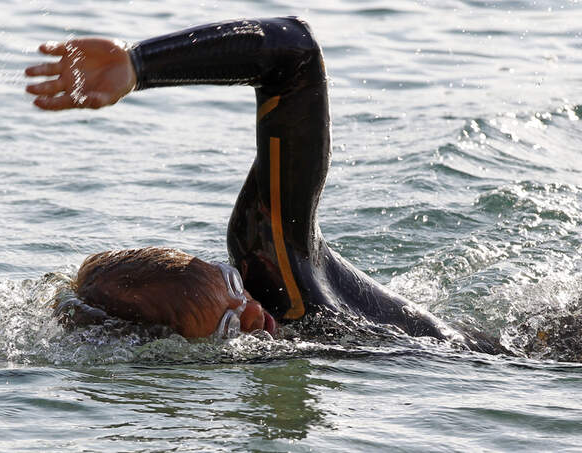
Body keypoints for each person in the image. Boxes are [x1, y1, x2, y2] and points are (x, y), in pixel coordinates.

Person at [26, 17, 503, 353]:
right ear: (170, 348)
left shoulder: (272, 267)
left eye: (233, 286)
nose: (252, 314)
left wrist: (138, 64)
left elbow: (294, 54)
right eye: (229, 328)